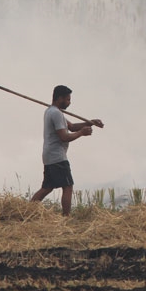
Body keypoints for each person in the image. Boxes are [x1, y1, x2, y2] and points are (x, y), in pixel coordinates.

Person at [30, 85, 103, 215]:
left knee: (47, 187)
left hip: (49, 155)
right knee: (68, 186)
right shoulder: (56, 113)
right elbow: (64, 137)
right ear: (60, 98)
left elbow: (72, 126)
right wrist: (82, 133)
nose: (69, 102)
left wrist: (90, 122)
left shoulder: (53, 112)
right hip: (57, 156)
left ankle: (27, 210)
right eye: (68, 99)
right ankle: (66, 218)